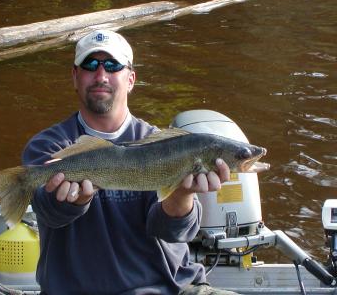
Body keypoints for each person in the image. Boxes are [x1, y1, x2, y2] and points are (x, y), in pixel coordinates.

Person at [22, 29, 236, 295]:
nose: (101, 76)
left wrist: (182, 193)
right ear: (75, 77)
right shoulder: (50, 146)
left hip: (167, 289)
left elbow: (171, 233)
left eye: (112, 66)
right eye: (90, 65)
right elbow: (47, 212)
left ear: (131, 79)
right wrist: (70, 201)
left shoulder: (161, 144)